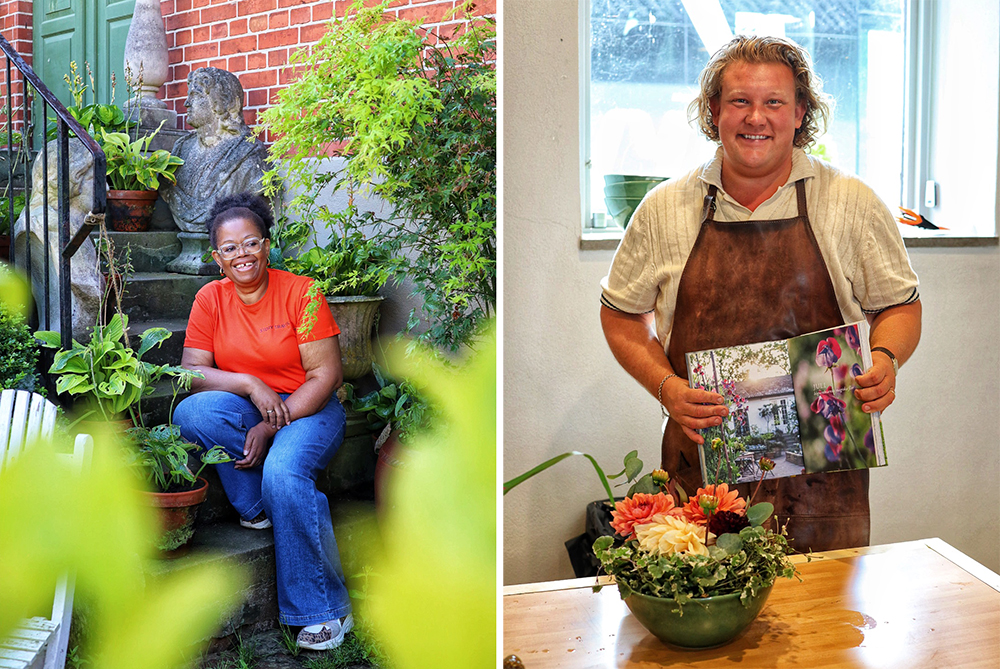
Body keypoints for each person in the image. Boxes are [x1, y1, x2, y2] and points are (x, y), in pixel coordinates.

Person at [600, 35, 921, 553]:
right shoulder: (663, 210)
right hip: (703, 475)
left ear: (799, 112)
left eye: (774, 101)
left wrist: (886, 359)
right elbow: (620, 316)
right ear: (714, 112)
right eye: (740, 101)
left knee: (822, 604)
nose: (756, 118)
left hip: (824, 479)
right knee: (706, 600)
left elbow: (899, 306)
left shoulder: (852, 203)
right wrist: (667, 388)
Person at [173, 192, 353, 650]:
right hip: (256, 402)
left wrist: (272, 424)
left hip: (310, 407)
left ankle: (325, 610)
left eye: (251, 243)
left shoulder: (301, 292)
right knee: (191, 412)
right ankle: (258, 507)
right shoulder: (210, 299)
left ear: (267, 246)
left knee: (284, 470)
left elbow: (327, 376)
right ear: (217, 258)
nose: (243, 254)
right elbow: (192, 372)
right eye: (230, 248)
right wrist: (251, 384)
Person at [160, 68, 270, 233]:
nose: (187, 103)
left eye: (196, 95)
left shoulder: (249, 153)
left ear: (222, 102)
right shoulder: (181, 149)